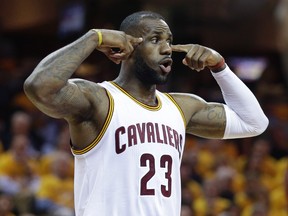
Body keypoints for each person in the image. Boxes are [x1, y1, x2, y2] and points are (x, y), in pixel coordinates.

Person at [23, 11, 268, 216]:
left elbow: (254, 123)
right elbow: (38, 87)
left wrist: (220, 67)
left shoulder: (181, 107)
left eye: (169, 40)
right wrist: (94, 37)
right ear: (127, 46)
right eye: (155, 39)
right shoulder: (99, 100)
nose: (167, 49)